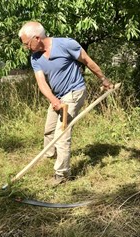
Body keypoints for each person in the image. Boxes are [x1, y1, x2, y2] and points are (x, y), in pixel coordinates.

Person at [18, 21, 114, 186]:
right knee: (49, 130)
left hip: (74, 93)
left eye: (27, 43)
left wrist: (104, 80)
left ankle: (62, 174)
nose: (26, 47)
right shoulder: (35, 57)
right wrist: (54, 100)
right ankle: (51, 156)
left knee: (62, 133)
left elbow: (88, 61)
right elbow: (41, 82)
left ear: (37, 38)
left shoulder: (66, 44)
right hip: (57, 97)